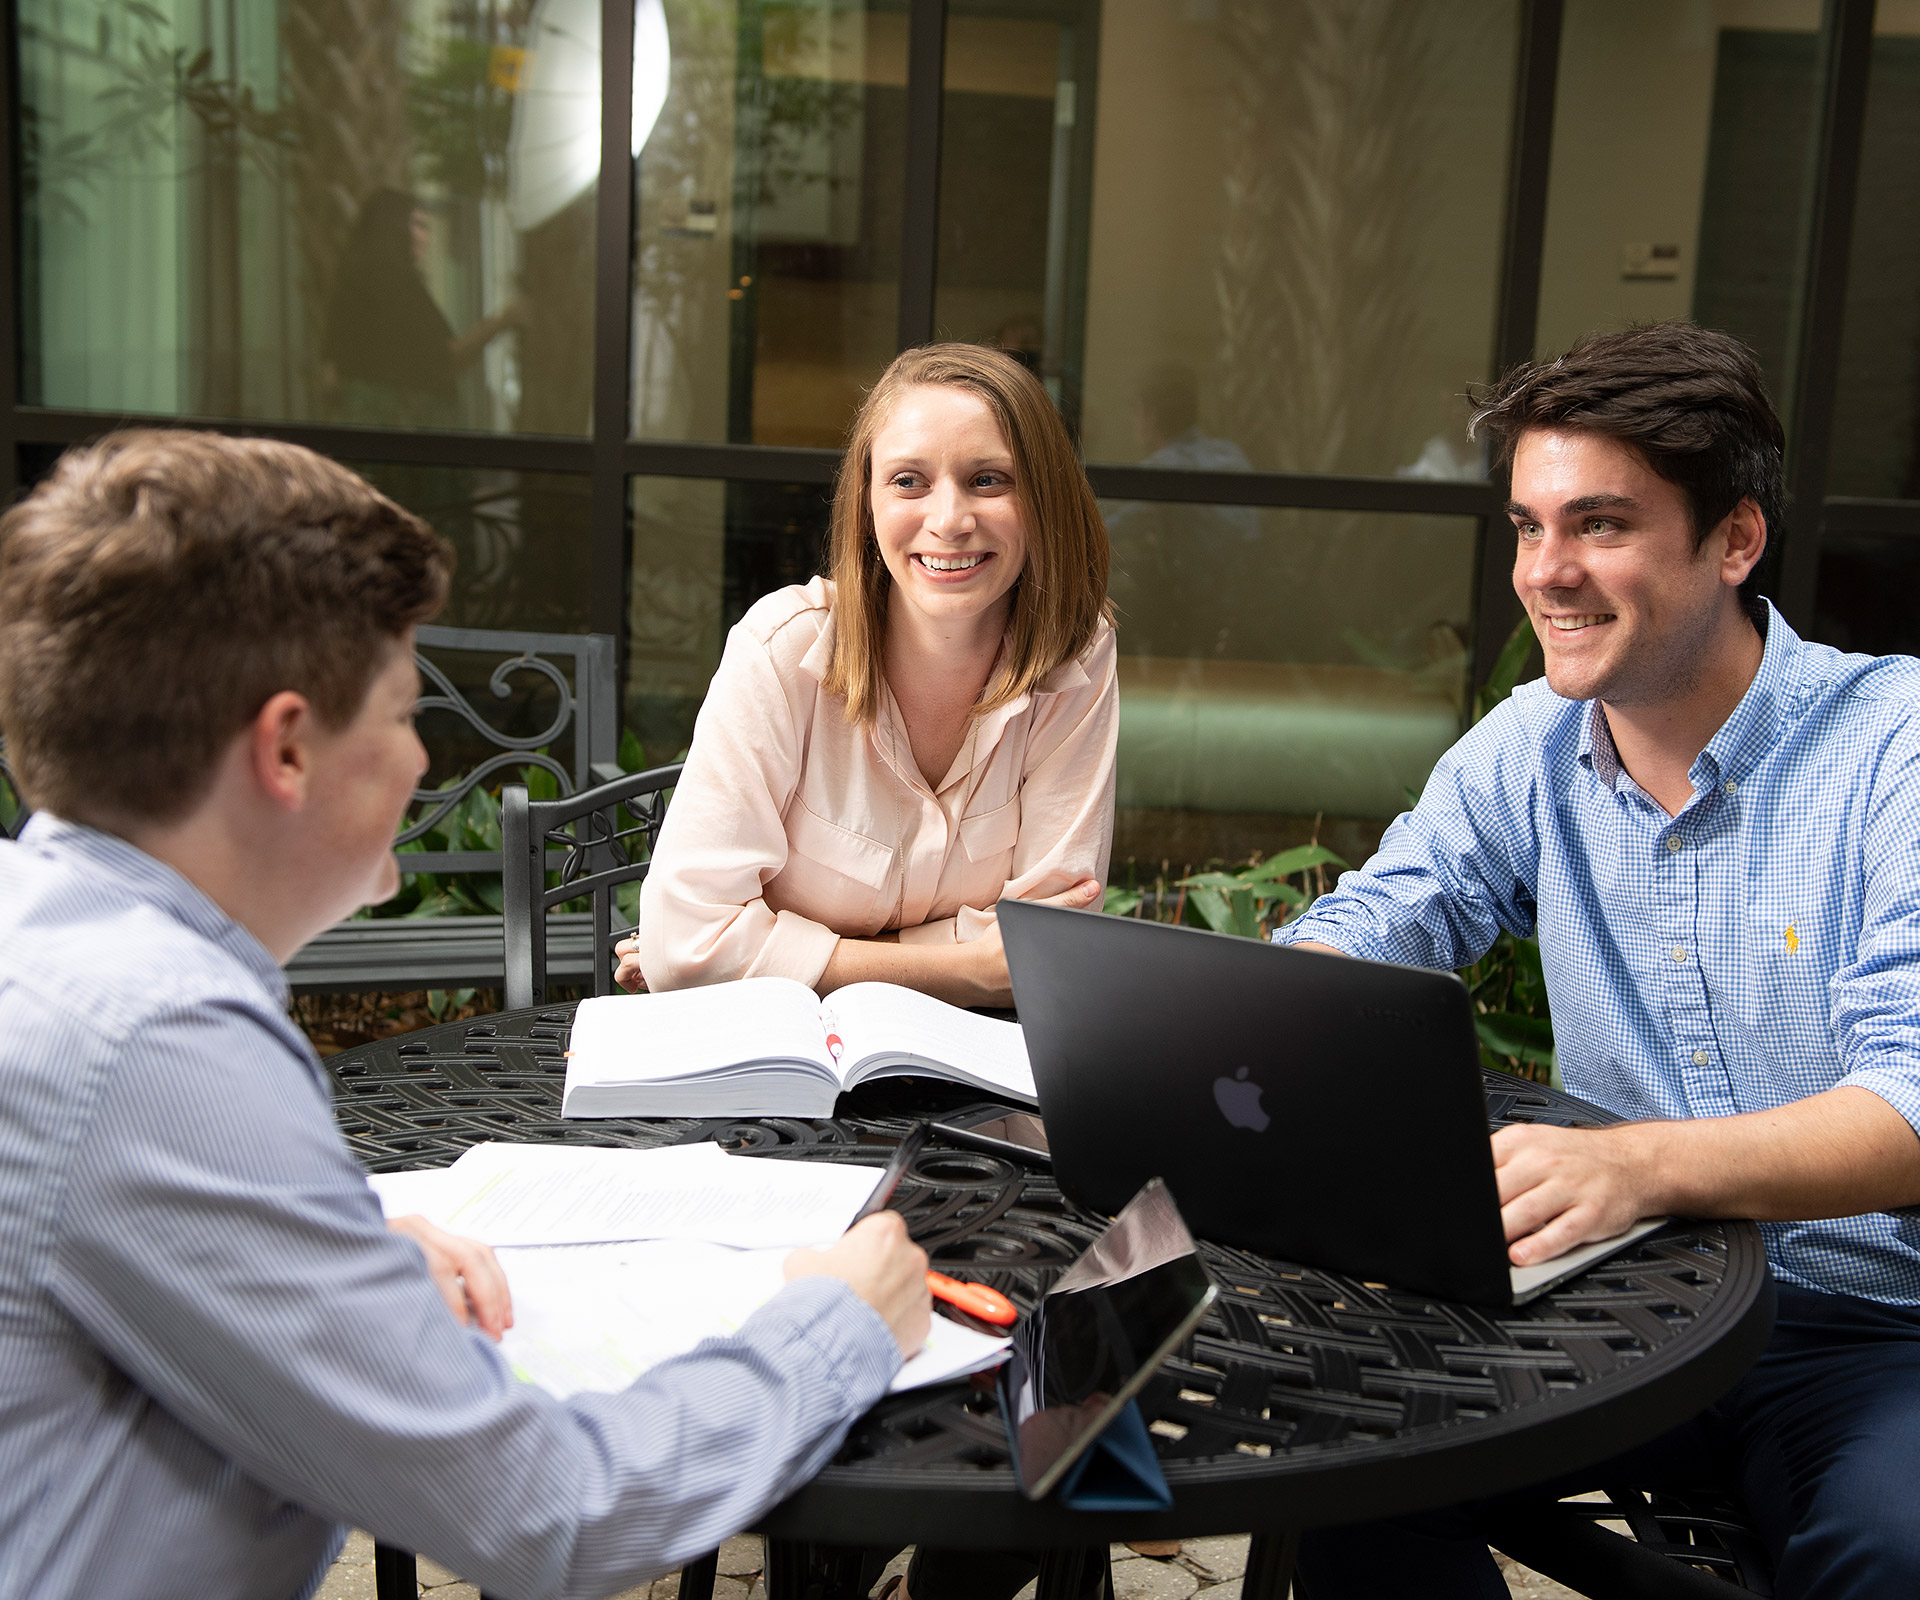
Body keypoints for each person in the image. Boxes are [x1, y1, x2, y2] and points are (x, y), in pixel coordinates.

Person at [0, 430, 931, 1600]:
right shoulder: (159, 1044)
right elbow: (546, 1511)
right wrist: (838, 1324)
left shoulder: (49, 946)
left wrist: (330, 1244)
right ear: (286, 748)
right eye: (402, 712)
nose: (421, 760)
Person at [1274, 322, 1920, 1599]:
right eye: (1529, 525)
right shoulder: (1532, 743)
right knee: (1356, 1459)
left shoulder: (1892, 748)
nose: (1546, 572)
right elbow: (1379, 923)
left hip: (1865, 1330)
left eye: (1600, 525)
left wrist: (1633, 1166)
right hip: (1621, 1306)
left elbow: (1912, 1109)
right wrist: (1260, 1013)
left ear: (1735, 539)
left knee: (1894, 1551)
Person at [623, 343, 1119, 1007]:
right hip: (775, 1057)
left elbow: (1048, 946)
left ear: (1044, 500)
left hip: (970, 1059)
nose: (949, 521)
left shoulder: (1077, 651)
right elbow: (687, 948)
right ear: (866, 504)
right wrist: (972, 965)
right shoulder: (781, 648)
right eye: (909, 481)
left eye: (988, 480)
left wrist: (770, 948)